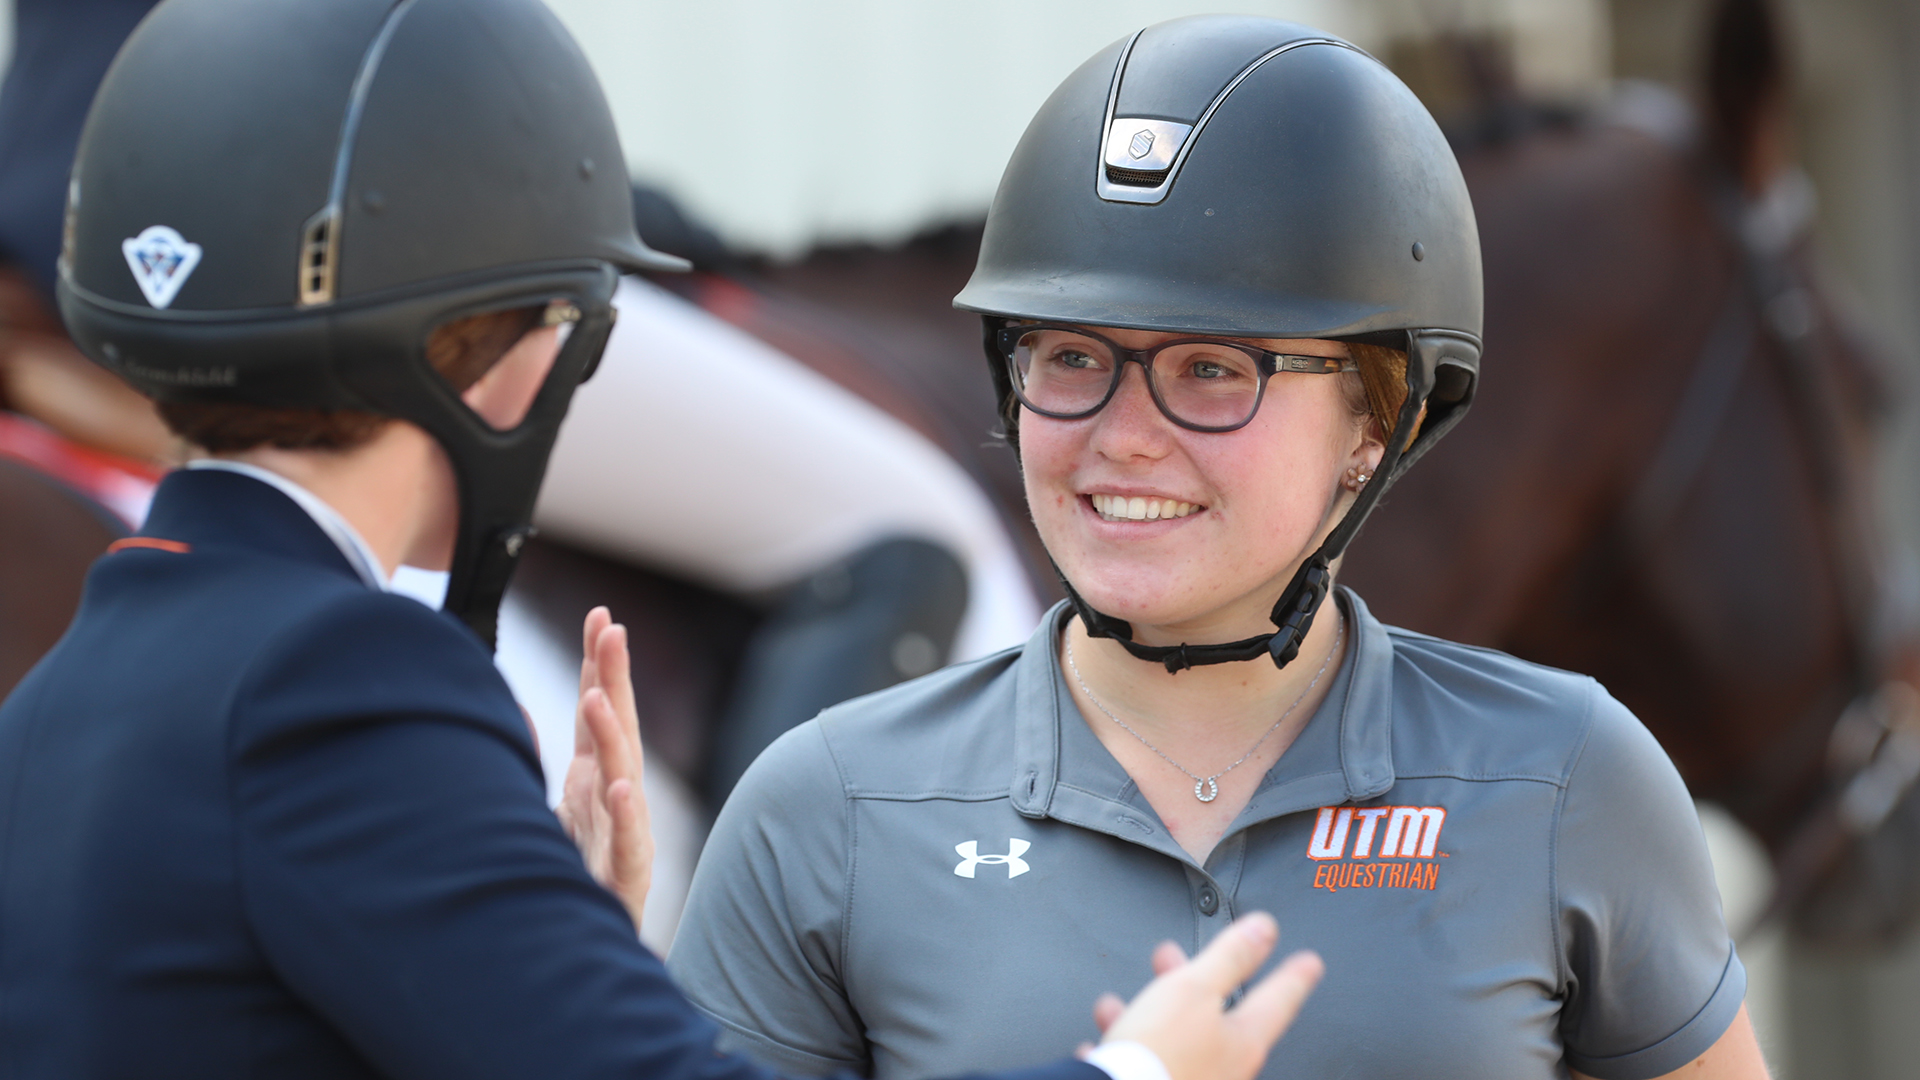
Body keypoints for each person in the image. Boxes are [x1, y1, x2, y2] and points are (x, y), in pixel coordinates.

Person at [0, 1, 1324, 1078]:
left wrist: (538, 936)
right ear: (522, 359)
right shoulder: (335, 680)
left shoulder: (58, 703)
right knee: (912, 528)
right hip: (334, 196)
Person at [666, 15, 1772, 1080]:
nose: (1122, 439)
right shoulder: (828, 810)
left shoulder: (1567, 776)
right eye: (1070, 358)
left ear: (1376, 427)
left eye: (1212, 369)